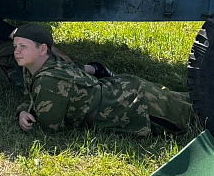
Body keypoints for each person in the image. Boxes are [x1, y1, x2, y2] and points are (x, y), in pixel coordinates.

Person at [13, 24, 196, 137]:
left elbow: (50, 128)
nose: (17, 51)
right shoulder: (45, 65)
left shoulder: (48, 81)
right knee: (193, 102)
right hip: (125, 89)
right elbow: (33, 97)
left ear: (42, 49)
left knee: (198, 119)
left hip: (133, 105)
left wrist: (25, 114)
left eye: (23, 46)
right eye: (15, 46)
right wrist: (23, 111)